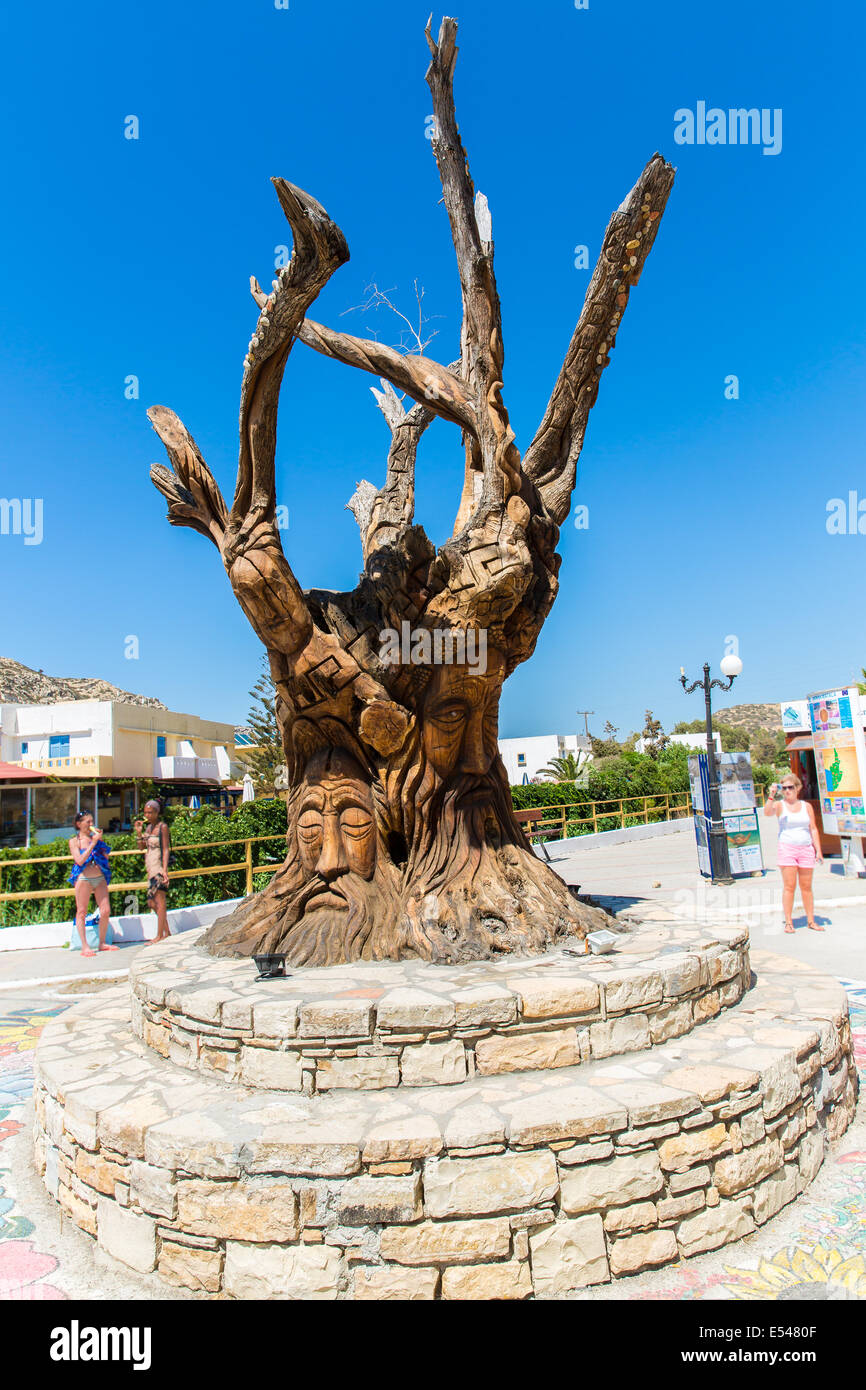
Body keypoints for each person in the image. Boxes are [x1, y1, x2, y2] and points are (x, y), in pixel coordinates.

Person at [763, 773, 824, 933]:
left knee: (806, 887)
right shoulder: (780, 805)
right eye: (784, 788)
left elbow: (813, 828)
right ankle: (789, 922)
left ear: (798, 788)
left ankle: (811, 920)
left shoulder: (806, 806)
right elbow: (767, 813)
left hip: (805, 849)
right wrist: (771, 795)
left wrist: (818, 850)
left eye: (790, 787)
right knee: (789, 886)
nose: (787, 791)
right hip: (787, 848)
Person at [68, 812, 117, 957]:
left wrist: (99, 843)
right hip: (84, 879)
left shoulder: (94, 839)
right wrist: (93, 844)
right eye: (87, 822)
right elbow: (80, 860)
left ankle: (102, 943)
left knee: (105, 910)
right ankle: (85, 946)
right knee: (81, 911)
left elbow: (106, 857)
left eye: (92, 822)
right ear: (79, 824)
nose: (91, 825)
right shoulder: (75, 841)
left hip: (99, 877)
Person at [134, 800, 171, 944]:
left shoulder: (162, 827)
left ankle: (160, 935)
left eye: (150, 812)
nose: (147, 815)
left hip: (159, 869)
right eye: (146, 812)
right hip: (150, 868)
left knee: (159, 901)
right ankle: (166, 932)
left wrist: (165, 870)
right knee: (152, 903)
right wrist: (139, 832)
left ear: (157, 812)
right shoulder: (148, 828)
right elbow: (141, 847)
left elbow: (166, 848)